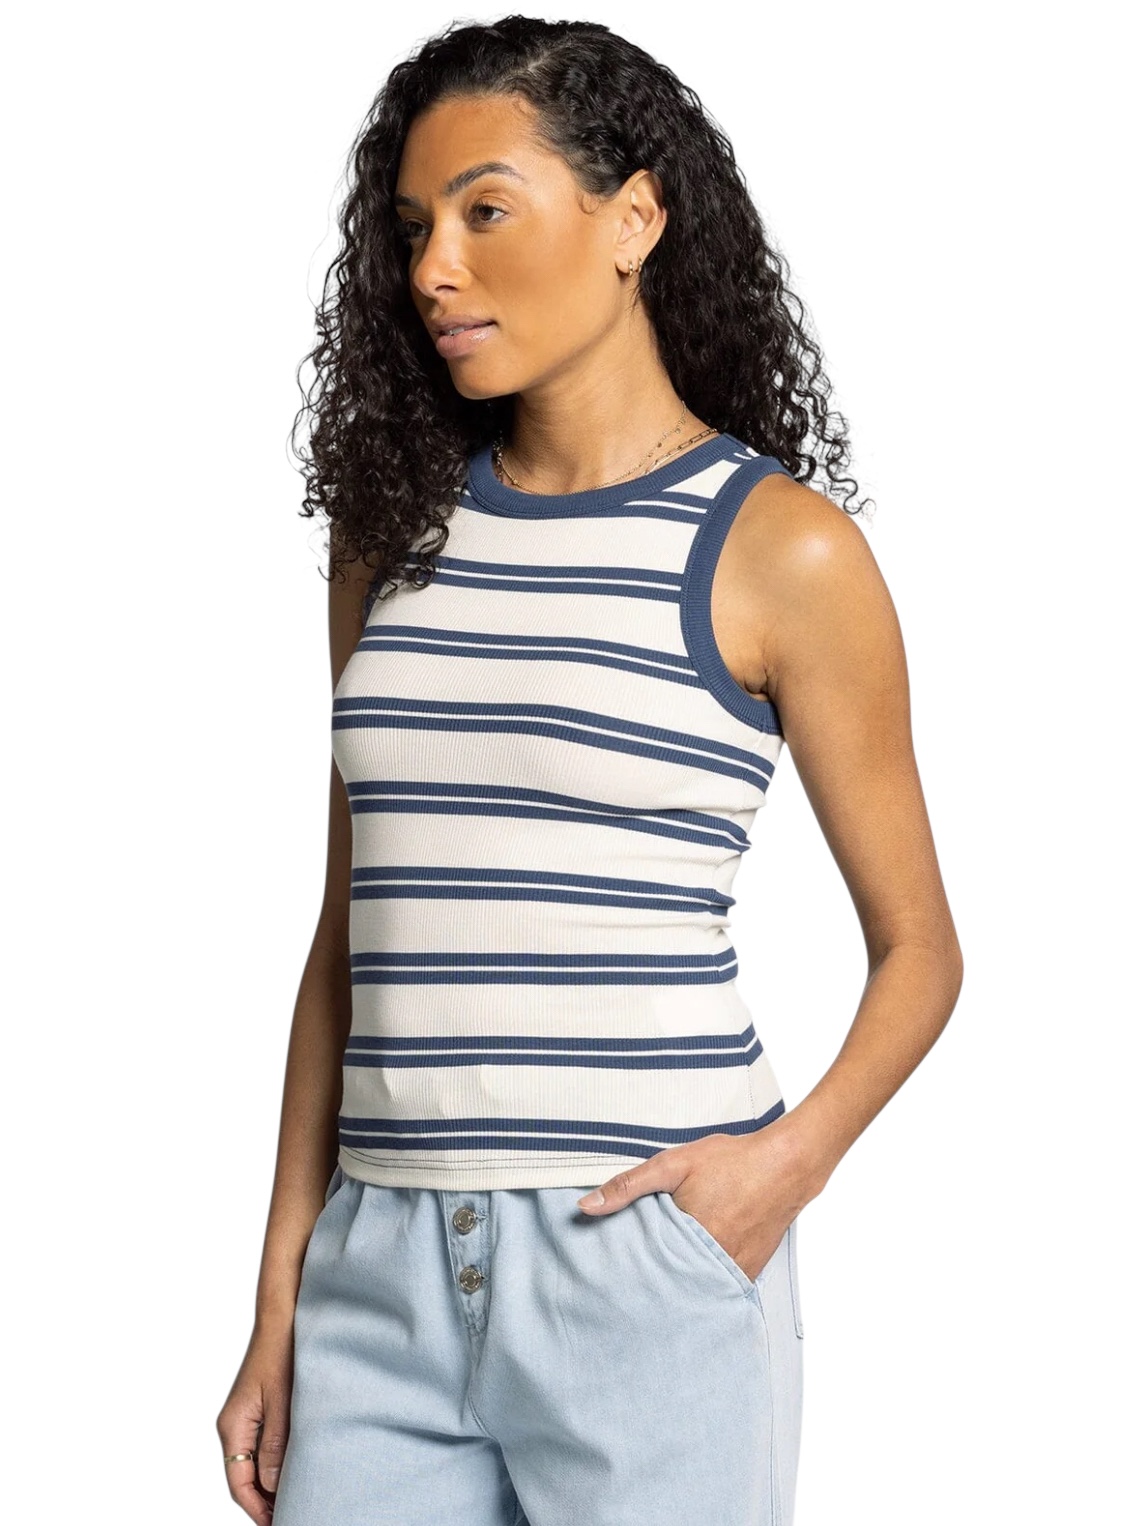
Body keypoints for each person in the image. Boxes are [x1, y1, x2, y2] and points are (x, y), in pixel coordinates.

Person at [216, 15, 964, 1525]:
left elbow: (921, 953)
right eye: (414, 228)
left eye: (485, 211)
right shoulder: (391, 538)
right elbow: (347, 937)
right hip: (378, 1271)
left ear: (635, 218)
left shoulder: (781, 551)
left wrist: (777, 1173)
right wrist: (281, 1289)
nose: (434, 268)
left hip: (642, 1257)